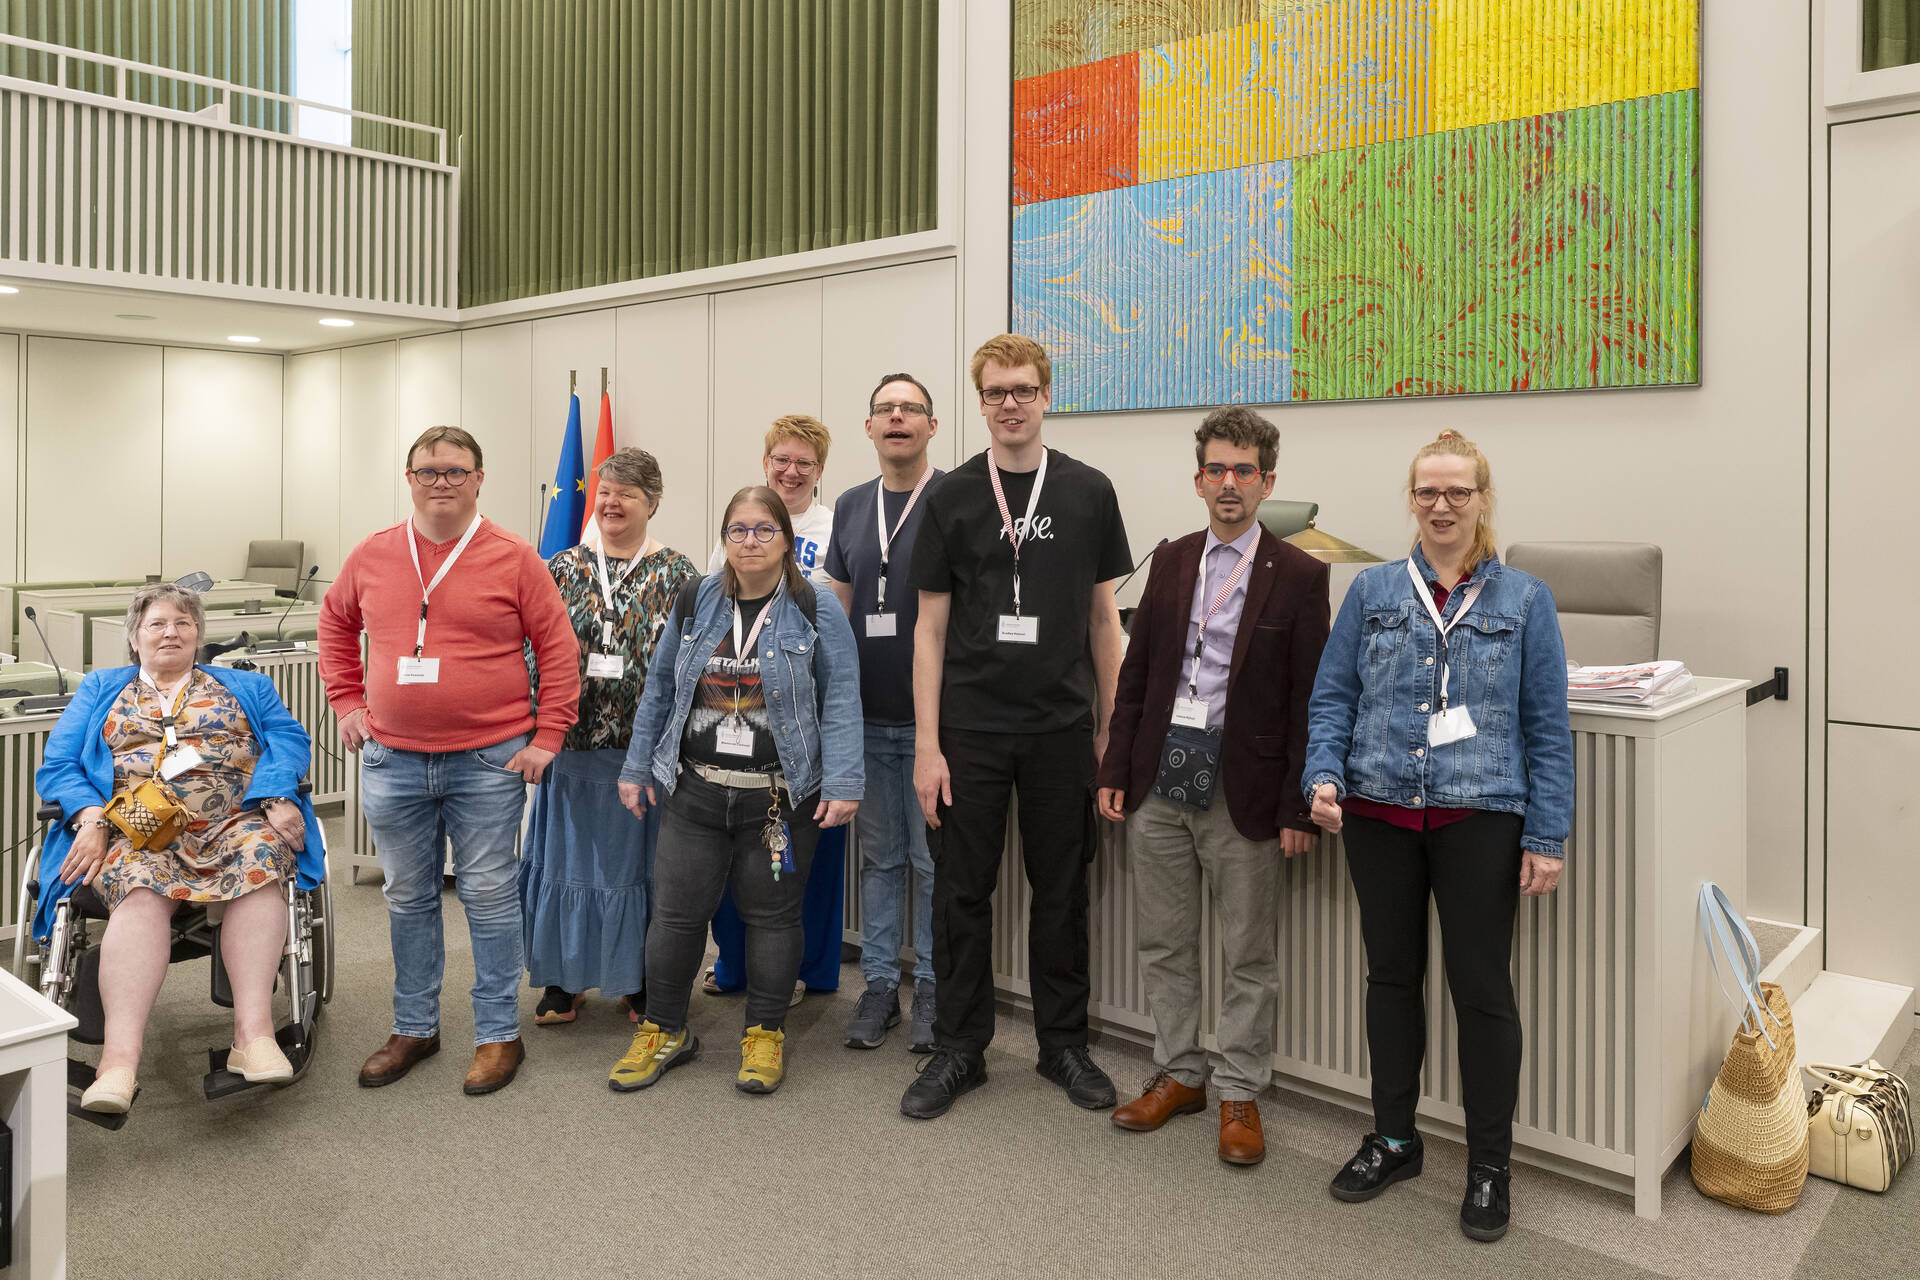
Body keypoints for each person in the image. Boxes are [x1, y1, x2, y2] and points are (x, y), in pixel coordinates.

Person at [1303, 429, 1572, 1242]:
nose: (1442, 505)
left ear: (1483, 499)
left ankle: (1489, 1165)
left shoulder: (1525, 600)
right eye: (1428, 491)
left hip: (1481, 816)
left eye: (1458, 491)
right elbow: (1333, 695)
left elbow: (1546, 728)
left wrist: (1548, 835)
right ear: (1411, 500)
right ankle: (1393, 1139)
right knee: (1390, 978)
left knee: (1481, 991)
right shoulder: (1374, 592)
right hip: (1378, 812)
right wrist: (1322, 774)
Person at [900, 333, 1133, 1120]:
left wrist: (1113, 732)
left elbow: (1106, 621)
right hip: (970, 731)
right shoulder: (953, 497)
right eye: (996, 392)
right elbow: (928, 630)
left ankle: (1062, 1043)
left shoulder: (1089, 491)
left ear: (1046, 396)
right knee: (960, 893)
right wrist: (928, 747)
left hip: (1063, 730)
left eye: (1023, 390)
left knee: (1062, 892)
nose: (1010, 404)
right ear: (980, 402)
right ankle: (960, 1048)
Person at [1095, 407, 1329, 1165]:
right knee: (1164, 939)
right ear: (1198, 479)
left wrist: (1297, 801)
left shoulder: (1300, 576)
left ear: (1268, 482)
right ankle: (1179, 1073)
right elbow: (1137, 678)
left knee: (1246, 952)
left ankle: (1239, 1091)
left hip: (1247, 787)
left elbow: (1308, 699)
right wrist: (1116, 768)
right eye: (1216, 470)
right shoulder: (1169, 559)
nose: (1230, 485)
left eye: (1245, 471)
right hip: (1162, 779)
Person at [319, 425, 580, 1097]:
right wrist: (347, 699)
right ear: (409, 478)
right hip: (393, 761)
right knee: (407, 898)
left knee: (489, 897)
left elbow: (557, 651)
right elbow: (335, 623)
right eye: (429, 470)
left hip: (488, 761)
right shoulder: (374, 553)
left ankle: (498, 1035)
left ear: (479, 478)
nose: (442, 482)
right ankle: (415, 1026)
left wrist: (548, 737)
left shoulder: (515, 556)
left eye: (456, 471)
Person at [35, 582, 324, 1114]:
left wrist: (279, 794)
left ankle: (252, 1036)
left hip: (236, 821)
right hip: (135, 830)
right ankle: (118, 1064)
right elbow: (59, 766)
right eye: (158, 624)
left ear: (198, 635)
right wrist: (91, 816)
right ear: (134, 638)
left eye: (183, 624)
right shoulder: (101, 688)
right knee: (141, 890)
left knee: (261, 862)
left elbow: (289, 741)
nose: (171, 632)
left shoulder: (245, 685)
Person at [613, 487, 862, 1095]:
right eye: (738, 531)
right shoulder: (696, 598)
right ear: (724, 538)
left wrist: (846, 780)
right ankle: (665, 1029)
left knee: (773, 920)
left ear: (786, 538)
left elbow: (843, 697)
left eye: (764, 530)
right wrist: (636, 766)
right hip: (695, 790)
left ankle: (765, 1035)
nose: (750, 542)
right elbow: (660, 691)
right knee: (674, 919)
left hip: (779, 796)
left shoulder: (818, 609)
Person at [519, 448, 697, 1028]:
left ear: (652, 503)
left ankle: (639, 981)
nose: (612, 502)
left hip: (639, 757)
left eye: (627, 494)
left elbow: (692, 660)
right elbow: (531, 648)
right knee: (567, 867)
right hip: (570, 750)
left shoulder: (677, 572)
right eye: (606, 491)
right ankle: (563, 981)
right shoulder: (562, 566)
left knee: (636, 873)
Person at [703, 414, 846, 1004]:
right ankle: (736, 965)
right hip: (738, 709)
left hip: (803, 715)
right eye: (781, 460)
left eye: (804, 463)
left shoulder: (835, 528)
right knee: (738, 858)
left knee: (798, 857)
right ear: (766, 464)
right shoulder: (743, 523)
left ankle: (798, 969)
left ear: (819, 471)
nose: (791, 471)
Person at [824, 373, 944, 1051]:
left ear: (932, 427)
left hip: (935, 725)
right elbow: (839, 612)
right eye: (885, 409)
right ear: (869, 428)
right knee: (877, 860)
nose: (897, 418)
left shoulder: (957, 499)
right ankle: (877, 988)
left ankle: (929, 984)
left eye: (911, 409)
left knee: (931, 864)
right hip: (865, 721)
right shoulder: (848, 505)